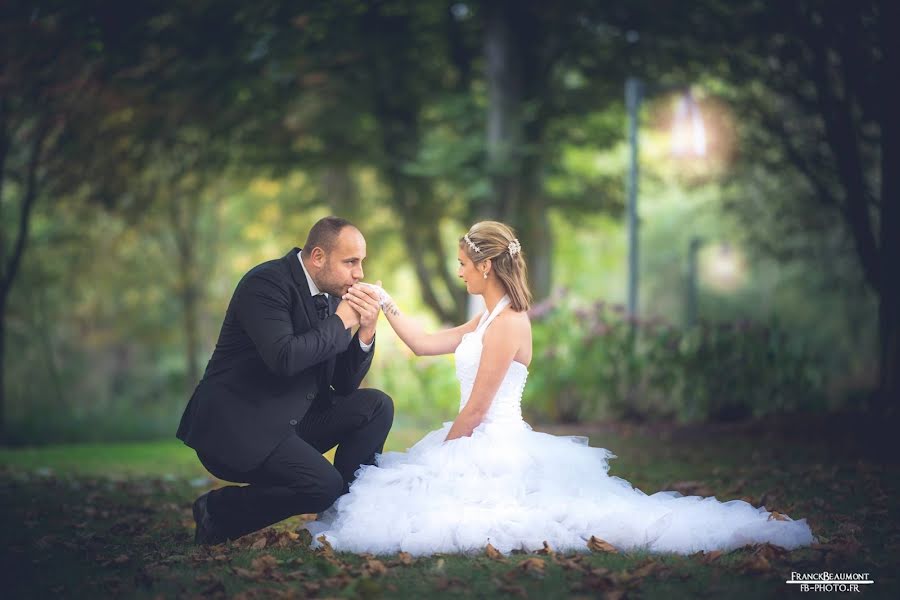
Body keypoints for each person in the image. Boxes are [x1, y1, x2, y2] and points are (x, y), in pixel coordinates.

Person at [305, 220, 816, 556]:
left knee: (430, 502)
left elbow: (478, 409)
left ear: (485, 265)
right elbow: (420, 344)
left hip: (491, 438)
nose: (459, 272)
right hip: (476, 434)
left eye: (463, 264)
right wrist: (386, 301)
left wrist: (440, 457)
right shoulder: (486, 319)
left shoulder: (508, 324)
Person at [177, 216, 393, 544]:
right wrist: (340, 322)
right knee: (322, 485)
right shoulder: (265, 284)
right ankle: (217, 511)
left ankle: (347, 520)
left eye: (361, 262)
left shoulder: (333, 296)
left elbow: (345, 385)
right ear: (318, 256)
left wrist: (366, 330)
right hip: (239, 425)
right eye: (350, 262)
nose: (359, 273)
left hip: (291, 420)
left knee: (376, 405)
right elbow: (284, 358)